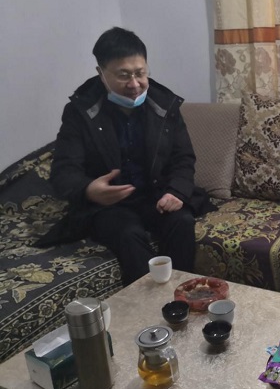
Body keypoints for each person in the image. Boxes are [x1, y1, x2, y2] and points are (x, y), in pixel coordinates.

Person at [37, 27, 214, 285]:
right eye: (123, 75)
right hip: (110, 206)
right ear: (101, 73)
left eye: (140, 73)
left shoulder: (164, 104)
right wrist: (89, 190)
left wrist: (176, 191)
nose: (134, 84)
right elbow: (64, 171)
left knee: (182, 221)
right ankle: (146, 304)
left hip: (156, 194)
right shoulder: (80, 111)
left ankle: (181, 294)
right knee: (128, 233)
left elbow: (183, 158)